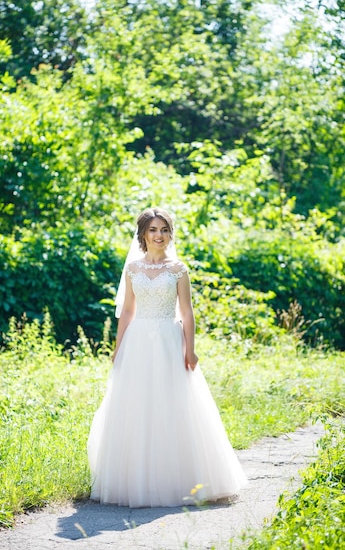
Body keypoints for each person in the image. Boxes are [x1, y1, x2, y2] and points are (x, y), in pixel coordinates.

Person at [87, 207, 247, 507]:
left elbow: (187, 313)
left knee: (173, 404)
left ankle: (180, 480)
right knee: (137, 406)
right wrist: (118, 347)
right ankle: (136, 479)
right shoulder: (133, 269)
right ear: (143, 235)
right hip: (138, 344)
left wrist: (190, 348)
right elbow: (128, 312)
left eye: (163, 230)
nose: (158, 235)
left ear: (169, 234)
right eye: (153, 230)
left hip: (169, 341)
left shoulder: (178, 270)